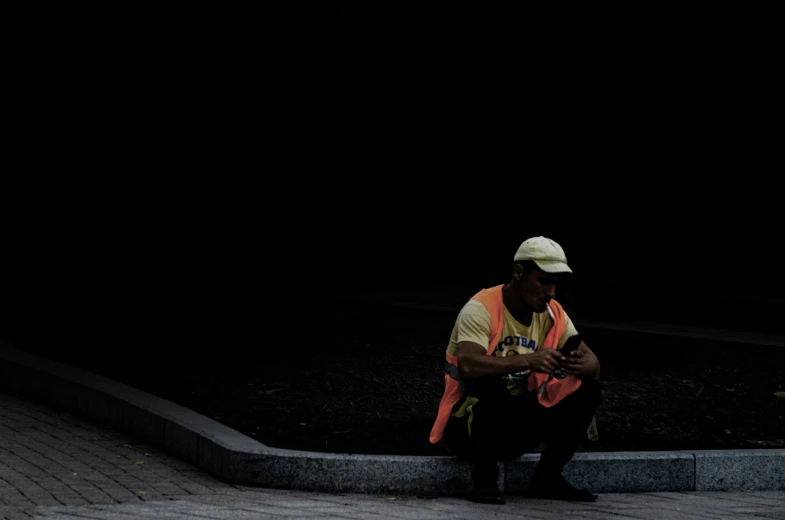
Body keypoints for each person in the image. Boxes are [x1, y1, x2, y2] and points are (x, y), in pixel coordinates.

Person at [429, 236, 602, 504]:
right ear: (519, 273)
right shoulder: (481, 308)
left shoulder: (553, 313)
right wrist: (530, 361)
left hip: (515, 425)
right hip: (467, 428)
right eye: (544, 281)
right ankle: (483, 480)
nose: (551, 293)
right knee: (490, 380)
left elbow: (592, 360)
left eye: (554, 284)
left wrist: (586, 366)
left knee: (588, 389)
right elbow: (469, 364)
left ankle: (547, 478)